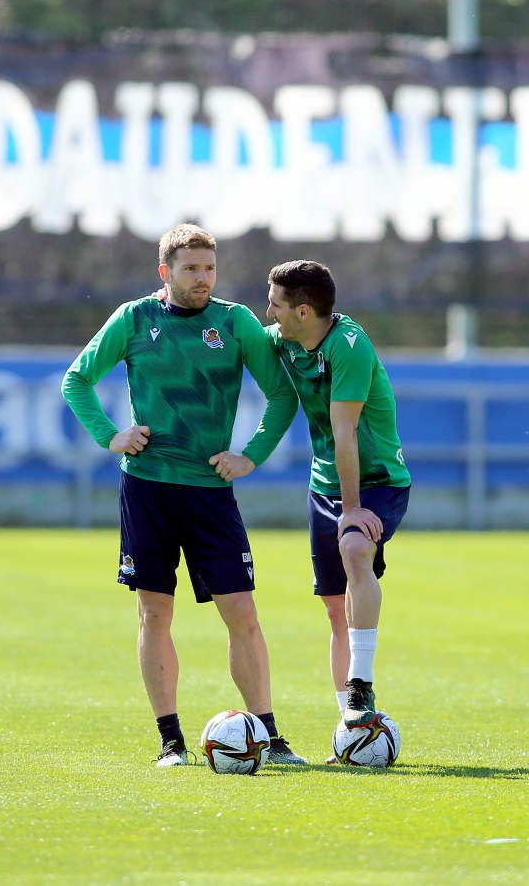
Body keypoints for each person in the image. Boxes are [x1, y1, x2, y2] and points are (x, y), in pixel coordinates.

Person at [63, 223, 306, 768]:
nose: (203, 278)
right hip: (147, 487)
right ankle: (170, 741)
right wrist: (111, 436)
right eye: (192, 268)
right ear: (165, 272)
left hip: (210, 492)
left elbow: (282, 396)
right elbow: (76, 381)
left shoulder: (236, 321)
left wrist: (251, 455)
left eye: (210, 268)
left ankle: (269, 734)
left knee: (241, 612)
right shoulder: (134, 319)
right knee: (155, 613)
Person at [260, 260, 411, 735]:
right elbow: (241, 330)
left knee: (354, 547)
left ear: (303, 312)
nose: (269, 313)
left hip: (378, 481)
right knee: (332, 605)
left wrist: (351, 511)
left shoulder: (350, 347)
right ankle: (350, 724)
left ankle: (361, 684)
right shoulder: (285, 340)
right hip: (324, 482)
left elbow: (344, 434)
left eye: (276, 304)